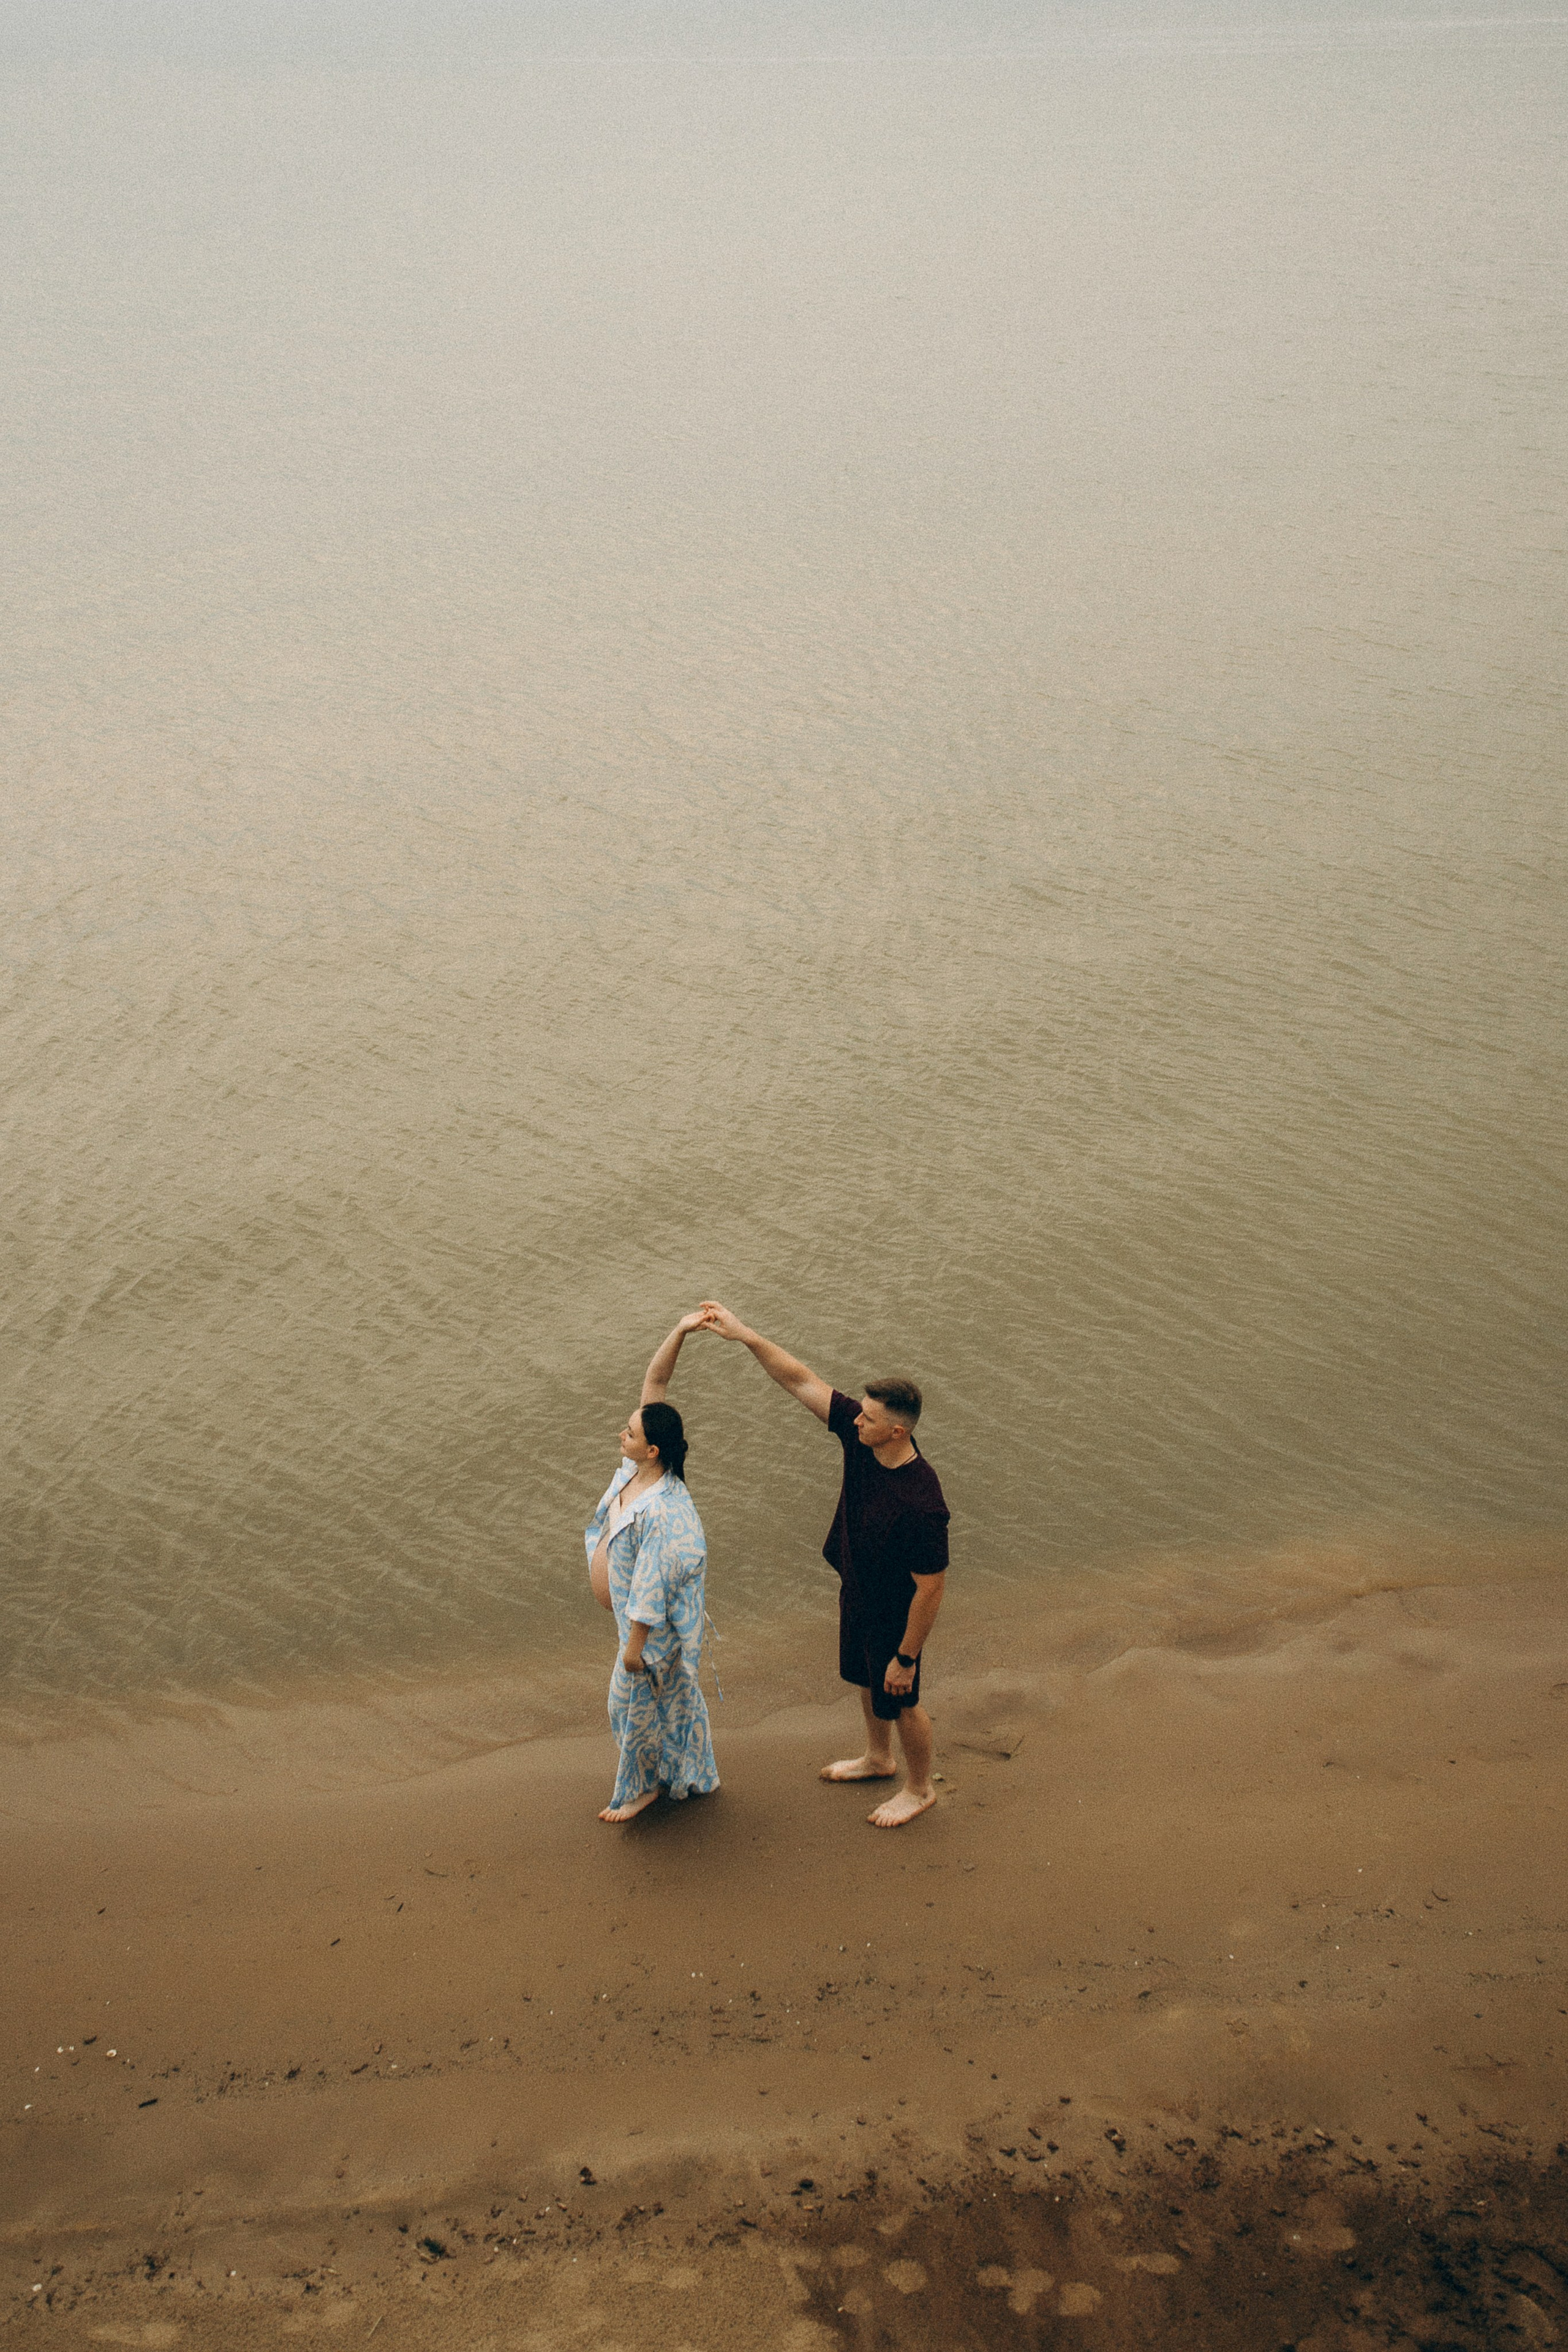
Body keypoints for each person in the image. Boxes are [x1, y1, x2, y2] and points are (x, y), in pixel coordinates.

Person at [696, 1303, 948, 1828]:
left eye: (870, 1418)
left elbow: (931, 1590)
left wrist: (906, 1655)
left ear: (898, 1432)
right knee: (862, 1675)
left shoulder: (922, 1504)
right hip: (857, 1587)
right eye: (860, 1411)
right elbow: (799, 1379)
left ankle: (920, 1788)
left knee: (902, 1697)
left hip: (896, 1613)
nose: (857, 1419)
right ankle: (878, 1759)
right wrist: (745, 1335)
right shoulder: (863, 1442)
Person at [584, 1314, 719, 1823]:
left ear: (653, 1449)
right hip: (630, 1621)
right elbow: (655, 1384)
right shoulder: (635, 1469)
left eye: (630, 1431)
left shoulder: (664, 1509)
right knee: (677, 1703)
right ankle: (692, 1773)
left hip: (648, 1632)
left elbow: (653, 1584)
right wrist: (681, 1331)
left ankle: (643, 1789)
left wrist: (634, 1647)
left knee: (629, 1705)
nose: (622, 1432)